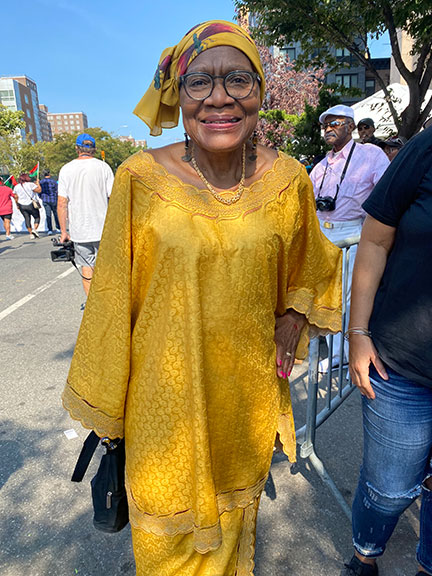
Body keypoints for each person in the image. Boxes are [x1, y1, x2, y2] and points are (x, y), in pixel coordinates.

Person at [62, 20, 342, 576]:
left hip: (243, 402)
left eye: (238, 79)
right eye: (200, 82)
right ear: (178, 94)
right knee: (167, 548)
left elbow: (312, 262)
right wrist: (107, 406)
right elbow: (111, 299)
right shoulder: (140, 178)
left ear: (259, 92)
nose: (219, 98)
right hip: (162, 407)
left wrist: (293, 315)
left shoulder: (288, 180)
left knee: (232, 542)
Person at [344, 126, 432, 576]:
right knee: (389, 490)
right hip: (400, 363)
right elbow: (375, 240)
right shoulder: (427, 146)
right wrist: (357, 332)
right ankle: (365, 557)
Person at [310, 105, 389, 372]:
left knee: (348, 298)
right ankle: (336, 352)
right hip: (323, 233)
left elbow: (385, 194)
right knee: (327, 296)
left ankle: (346, 354)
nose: (328, 129)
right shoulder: (321, 165)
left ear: (351, 126)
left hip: (354, 233)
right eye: (325, 125)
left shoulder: (370, 154)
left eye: (335, 123)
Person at [57, 133, 114, 295]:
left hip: (80, 230)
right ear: (94, 150)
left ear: (77, 149)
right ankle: (108, 301)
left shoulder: (66, 169)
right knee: (107, 267)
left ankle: (92, 305)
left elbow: (62, 203)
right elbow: (114, 197)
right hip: (103, 229)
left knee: (87, 268)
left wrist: (63, 232)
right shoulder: (103, 167)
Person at [13, 173, 42, 239]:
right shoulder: (30, 184)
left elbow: (16, 197)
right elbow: (39, 190)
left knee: (27, 219)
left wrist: (17, 205)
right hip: (30, 204)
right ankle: (34, 229)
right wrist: (38, 184)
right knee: (37, 217)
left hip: (21, 205)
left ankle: (31, 234)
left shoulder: (16, 187)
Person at [39, 170, 60, 235]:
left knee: (48, 214)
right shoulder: (53, 182)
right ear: (49, 174)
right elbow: (57, 190)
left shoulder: (41, 182)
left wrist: (41, 197)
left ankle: (50, 229)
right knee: (56, 214)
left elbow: (39, 191)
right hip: (53, 199)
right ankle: (58, 227)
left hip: (45, 200)